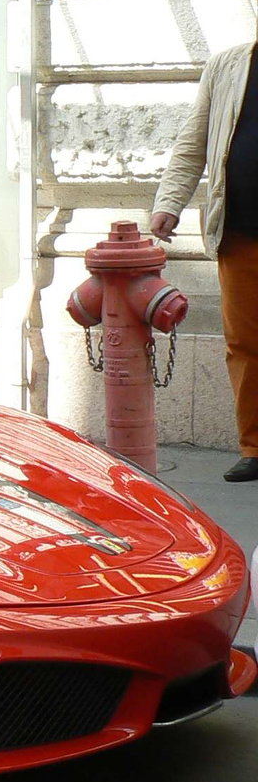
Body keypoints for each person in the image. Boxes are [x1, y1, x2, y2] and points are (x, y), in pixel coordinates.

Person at [151, 36, 258, 483]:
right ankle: (255, 447)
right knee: (245, 345)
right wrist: (168, 202)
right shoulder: (227, 66)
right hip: (239, 231)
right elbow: (192, 143)